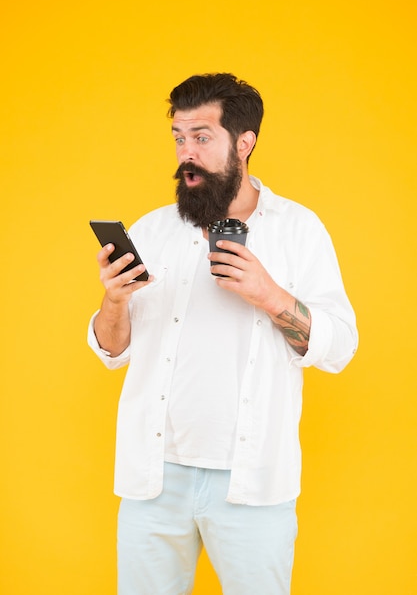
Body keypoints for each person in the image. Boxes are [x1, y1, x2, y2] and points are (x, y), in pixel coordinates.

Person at [88, 73, 358, 595]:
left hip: (252, 481)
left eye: (202, 137)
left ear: (244, 142)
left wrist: (270, 294)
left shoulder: (299, 230)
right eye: (179, 138)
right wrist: (114, 299)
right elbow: (111, 350)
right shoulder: (152, 229)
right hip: (153, 479)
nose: (186, 152)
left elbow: (340, 348)